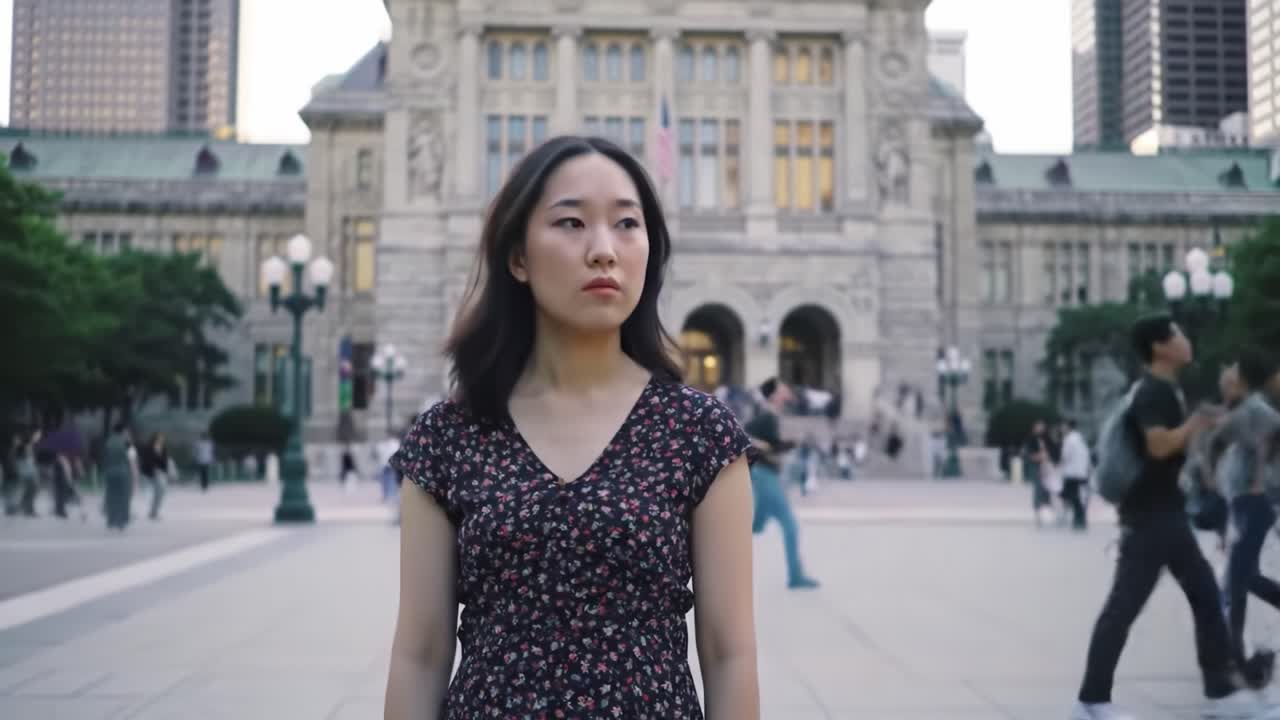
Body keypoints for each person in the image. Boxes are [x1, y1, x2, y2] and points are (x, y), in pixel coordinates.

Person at [385, 136, 760, 719]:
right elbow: (420, 653)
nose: (603, 250)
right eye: (571, 223)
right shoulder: (450, 437)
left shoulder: (699, 433)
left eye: (627, 224)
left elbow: (728, 652)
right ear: (518, 257)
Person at [1070, 315, 1273, 720]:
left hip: (1164, 512)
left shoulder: (1162, 390)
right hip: (1152, 516)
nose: (1185, 338)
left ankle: (1221, 692)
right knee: (1125, 606)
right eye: (1178, 333)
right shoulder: (1154, 392)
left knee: (1205, 598)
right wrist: (1196, 423)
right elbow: (1159, 446)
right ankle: (1092, 701)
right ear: (1160, 347)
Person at [1207, 352, 1280, 689]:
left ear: (1241, 383)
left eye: (1230, 379)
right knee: (1244, 578)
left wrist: (1258, 481)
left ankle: (1237, 660)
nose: (1225, 383)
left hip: (1255, 504)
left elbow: (1272, 435)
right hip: (1244, 504)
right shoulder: (1243, 411)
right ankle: (1238, 660)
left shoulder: (1255, 409)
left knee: (1236, 581)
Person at [744, 378, 820, 591]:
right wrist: (768, 446)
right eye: (782, 388)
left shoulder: (771, 416)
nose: (787, 390)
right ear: (774, 395)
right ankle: (796, 576)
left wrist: (783, 444)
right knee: (790, 525)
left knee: (756, 526)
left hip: (764, 474)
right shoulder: (767, 417)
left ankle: (717, 549)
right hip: (765, 476)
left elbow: (772, 445)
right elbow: (747, 433)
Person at [1059, 419, 1092, 531]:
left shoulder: (1069, 439)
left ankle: (1079, 519)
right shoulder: (1080, 438)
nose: (1061, 428)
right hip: (1081, 471)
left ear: (1068, 427)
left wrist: (1059, 466)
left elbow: (1065, 456)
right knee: (1075, 496)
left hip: (1072, 473)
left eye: (1063, 426)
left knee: (1072, 497)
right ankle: (1079, 519)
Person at [102, 423, 136, 531]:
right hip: (123, 472)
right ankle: (121, 521)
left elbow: (105, 457)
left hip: (110, 472)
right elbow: (132, 460)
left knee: (111, 496)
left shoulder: (108, 442)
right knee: (124, 496)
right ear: (123, 431)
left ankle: (111, 520)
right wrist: (135, 474)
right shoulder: (128, 442)